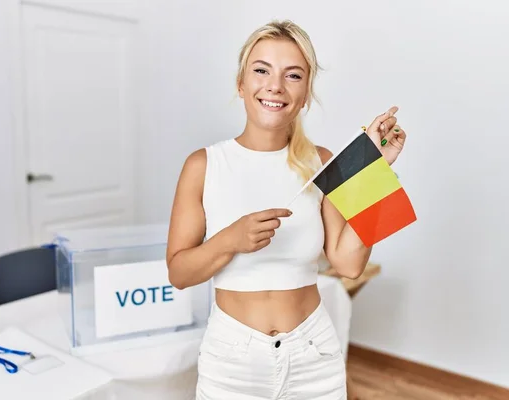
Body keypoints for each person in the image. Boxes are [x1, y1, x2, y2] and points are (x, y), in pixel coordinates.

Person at [166, 19, 406, 399]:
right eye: (261, 70)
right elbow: (179, 273)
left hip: (314, 354)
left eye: (293, 75)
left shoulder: (324, 162)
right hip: (231, 362)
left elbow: (348, 264)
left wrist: (373, 175)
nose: (275, 86)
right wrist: (230, 240)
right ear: (241, 84)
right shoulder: (203, 165)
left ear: (306, 92)